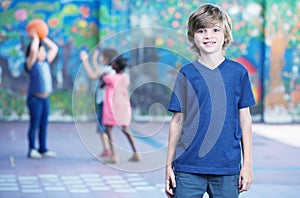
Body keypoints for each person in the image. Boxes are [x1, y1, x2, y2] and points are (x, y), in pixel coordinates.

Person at [165, 4, 256, 198]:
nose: (208, 35)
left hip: (227, 168)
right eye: (201, 30)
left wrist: (247, 165)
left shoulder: (238, 73)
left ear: (225, 35)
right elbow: (177, 121)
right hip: (188, 167)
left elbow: (245, 121)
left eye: (215, 30)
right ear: (193, 36)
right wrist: (168, 166)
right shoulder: (187, 74)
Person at [25, 30, 58, 159]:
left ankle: (43, 148)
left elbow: (54, 48)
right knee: (35, 124)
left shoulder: (45, 62)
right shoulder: (31, 64)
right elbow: (33, 51)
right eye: (41, 51)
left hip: (45, 99)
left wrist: (43, 37)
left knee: (44, 124)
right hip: (35, 100)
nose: (44, 52)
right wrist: (35, 39)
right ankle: (32, 149)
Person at [101, 55, 140, 163]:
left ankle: (114, 155)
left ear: (116, 66)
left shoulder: (110, 78)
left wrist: (105, 70)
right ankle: (136, 152)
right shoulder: (125, 77)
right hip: (123, 106)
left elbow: (102, 80)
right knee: (126, 130)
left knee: (108, 130)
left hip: (112, 107)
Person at [80, 48, 118, 158]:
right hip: (107, 103)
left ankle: (108, 150)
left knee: (102, 127)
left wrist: (85, 61)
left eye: (101, 57)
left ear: (107, 59)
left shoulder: (106, 71)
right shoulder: (109, 69)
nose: (100, 58)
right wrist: (93, 58)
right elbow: (97, 69)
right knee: (105, 127)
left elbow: (92, 74)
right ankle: (108, 149)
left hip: (104, 103)